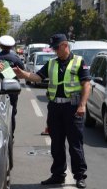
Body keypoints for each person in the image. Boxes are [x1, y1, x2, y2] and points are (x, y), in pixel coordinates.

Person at [13, 33, 90, 188]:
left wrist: (82, 105)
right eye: (53, 48)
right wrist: (23, 74)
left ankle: (79, 176)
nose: (55, 51)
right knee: (56, 143)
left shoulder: (79, 62)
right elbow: (37, 77)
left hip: (73, 108)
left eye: (56, 48)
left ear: (65, 45)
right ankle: (58, 174)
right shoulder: (52, 63)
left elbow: (86, 85)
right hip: (55, 108)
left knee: (75, 144)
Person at [0, 35, 25, 139]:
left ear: (0, 45)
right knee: (11, 113)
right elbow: (22, 73)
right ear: (12, 46)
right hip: (12, 90)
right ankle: (11, 136)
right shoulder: (16, 59)